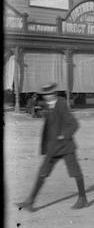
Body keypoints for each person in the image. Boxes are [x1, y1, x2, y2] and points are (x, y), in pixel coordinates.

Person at [18, 82, 87, 211]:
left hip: (66, 147)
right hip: (53, 148)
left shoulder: (61, 104)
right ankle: (30, 201)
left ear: (54, 93)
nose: (45, 96)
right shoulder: (47, 106)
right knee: (42, 172)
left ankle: (83, 198)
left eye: (48, 94)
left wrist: (63, 136)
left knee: (75, 172)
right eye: (44, 94)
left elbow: (74, 124)